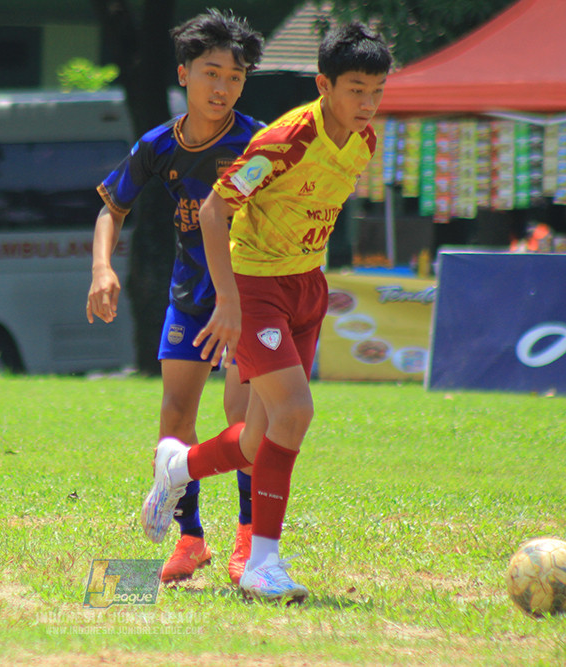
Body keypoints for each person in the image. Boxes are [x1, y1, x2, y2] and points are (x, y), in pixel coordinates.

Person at [140, 22, 392, 602]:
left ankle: (177, 468)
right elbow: (211, 211)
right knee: (295, 414)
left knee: (257, 439)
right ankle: (262, 564)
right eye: (356, 89)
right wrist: (228, 300)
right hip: (257, 287)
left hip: (307, 284)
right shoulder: (286, 140)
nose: (367, 104)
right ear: (323, 85)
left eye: (377, 91)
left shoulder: (365, 141)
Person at [87, 9, 264, 584]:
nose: (223, 87)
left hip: (247, 300)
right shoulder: (158, 144)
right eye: (212, 73)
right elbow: (111, 209)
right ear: (184, 73)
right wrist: (101, 269)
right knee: (175, 415)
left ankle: (247, 541)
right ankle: (190, 540)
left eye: (235, 77)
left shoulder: (259, 144)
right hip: (190, 297)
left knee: (242, 418)